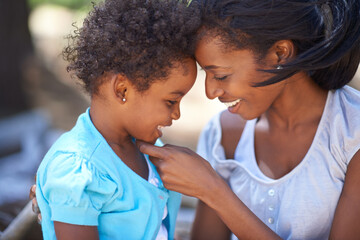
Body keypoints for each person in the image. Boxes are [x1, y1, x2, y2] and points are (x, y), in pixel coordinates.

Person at [137, 0, 360, 239]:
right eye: (207, 74)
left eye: (221, 75)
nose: (210, 92)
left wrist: (213, 190)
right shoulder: (223, 135)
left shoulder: (351, 132)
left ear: (280, 54)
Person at [32, 0, 200, 239]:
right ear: (122, 90)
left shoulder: (150, 151)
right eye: (171, 102)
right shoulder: (76, 171)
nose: (177, 114)